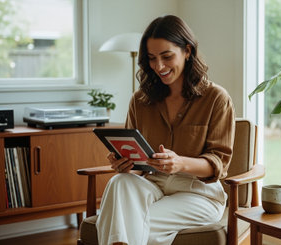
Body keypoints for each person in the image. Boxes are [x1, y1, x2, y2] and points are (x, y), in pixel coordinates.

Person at [96, 15, 235, 245]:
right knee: (119, 182)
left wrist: (180, 163)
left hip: (198, 193)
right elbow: (136, 163)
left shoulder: (216, 98)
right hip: (152, 184)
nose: (159, 66)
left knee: (121, 225)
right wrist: (126, 165)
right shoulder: (140, 100)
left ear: (187, 51)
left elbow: (218, 164)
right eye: (151, 58)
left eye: (167, 56)